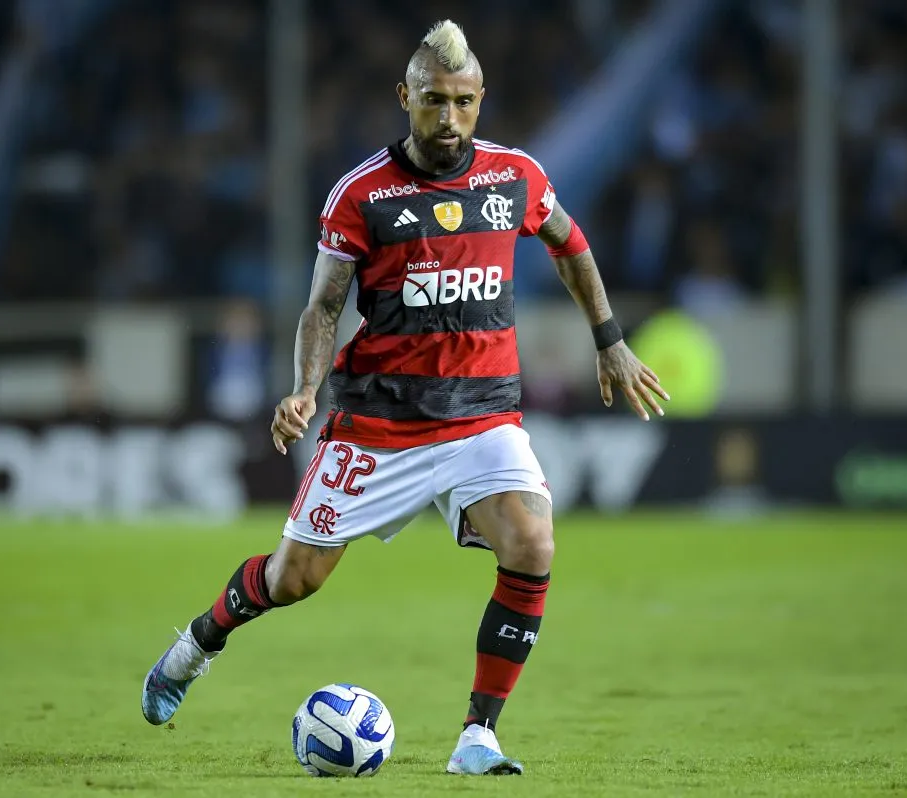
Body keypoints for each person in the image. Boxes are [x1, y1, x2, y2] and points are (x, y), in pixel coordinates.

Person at [141, 19, 669, 776]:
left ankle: (478, 735)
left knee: (532, 542)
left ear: (481, 100)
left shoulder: (513, 176)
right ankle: (196, 645)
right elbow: (323, 307)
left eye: (461, 101)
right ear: (405, 98)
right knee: (294, 580)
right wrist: (303, 390)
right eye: (432, 101)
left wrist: (610, 338)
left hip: (482, 413)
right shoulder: (363, 194)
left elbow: (571, 245)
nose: (447, 118)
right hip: (378, 422)